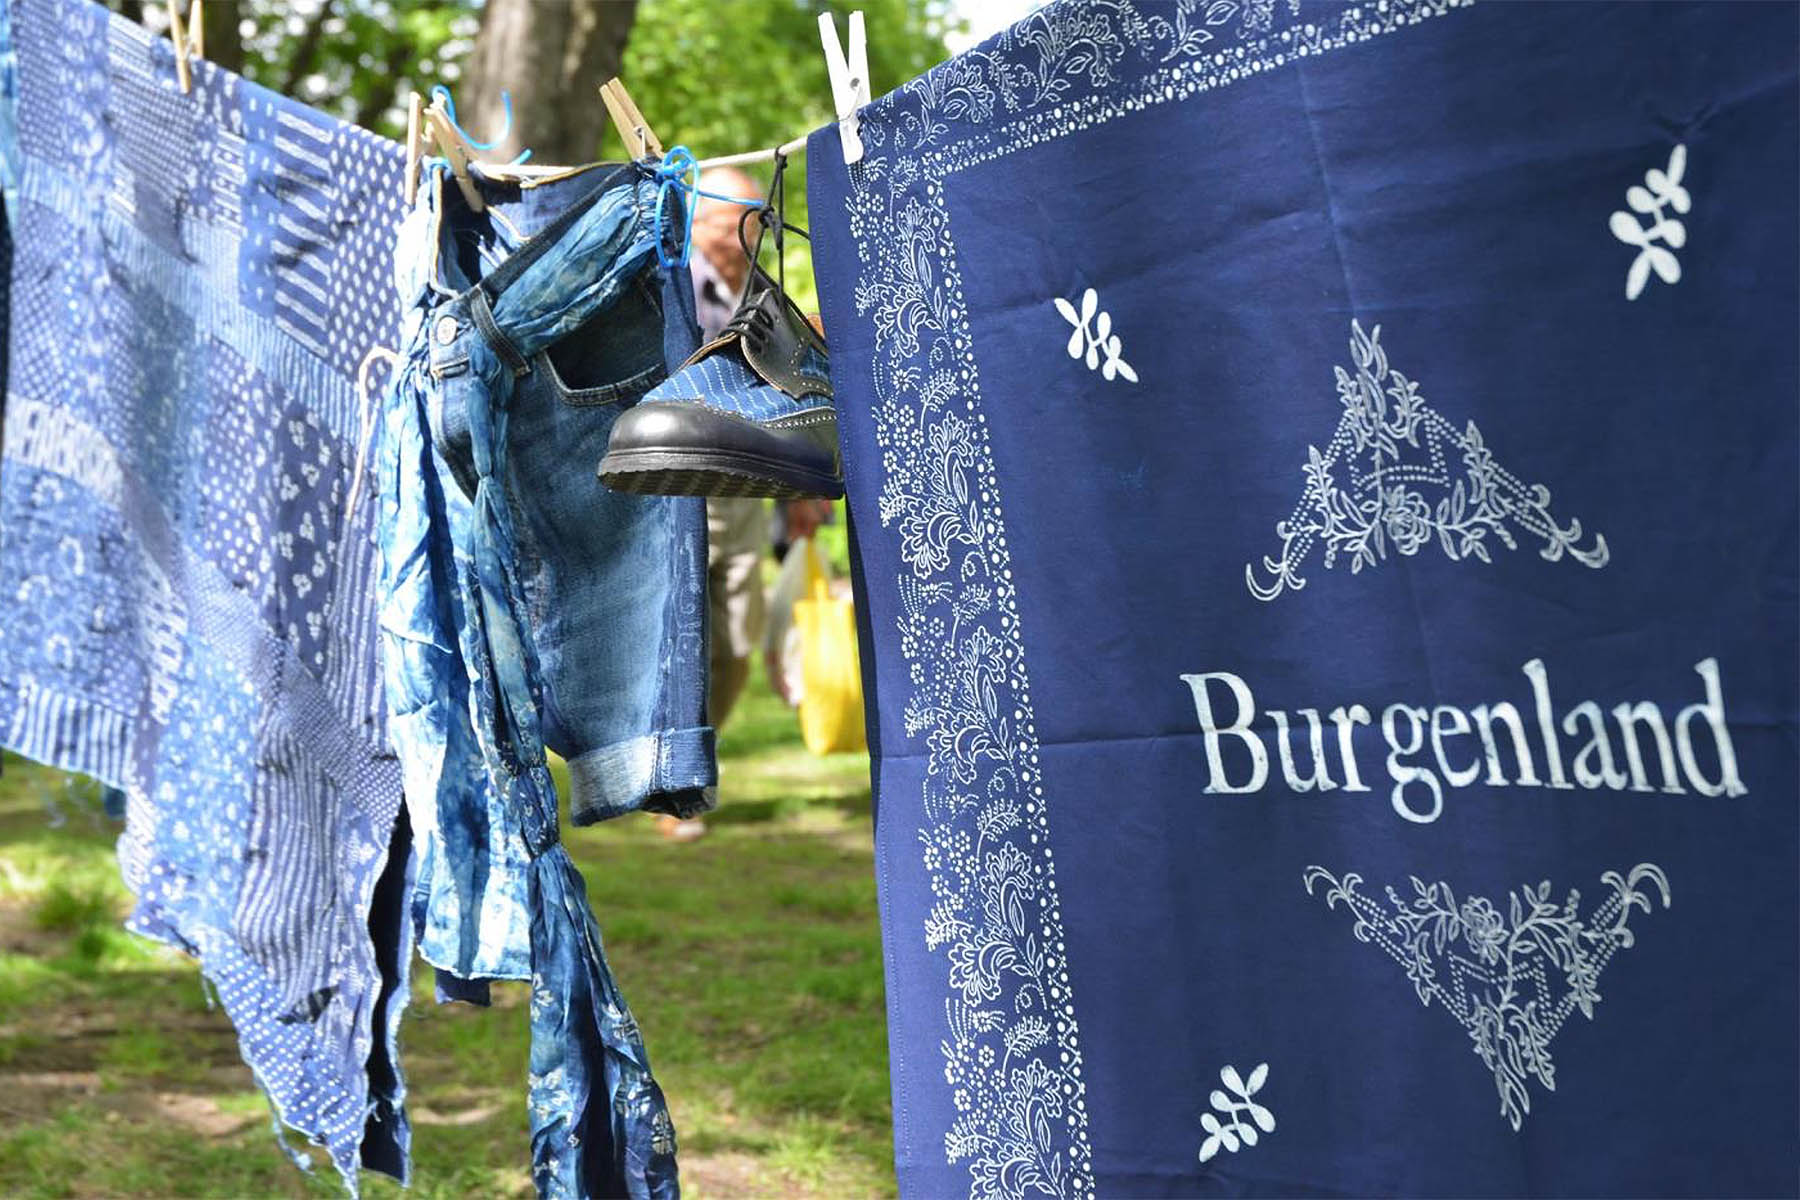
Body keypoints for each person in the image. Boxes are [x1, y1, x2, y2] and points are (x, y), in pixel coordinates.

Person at [658, 167, 829, 841]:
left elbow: (785, 389)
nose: (757, 225)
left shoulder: (761, 291)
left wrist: (803, 494)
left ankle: (693, 761)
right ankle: (673, 784)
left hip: (744, 487)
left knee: (733, 641)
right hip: (673, 487)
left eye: (758, 214)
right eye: (747, 212)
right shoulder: (671, 283)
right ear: (707, 220)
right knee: (677, 639)